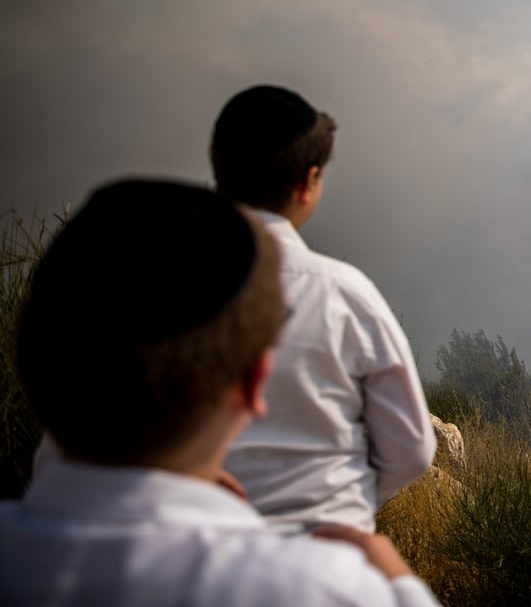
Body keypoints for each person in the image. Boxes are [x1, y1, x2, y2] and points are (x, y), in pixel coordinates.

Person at [0, 179, 441, 606]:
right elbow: (414, 450)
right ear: (254, 382)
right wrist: (399, 584)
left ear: (28, 359)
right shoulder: (321, 589)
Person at [210, 84, 435, 532]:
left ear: (219, 168)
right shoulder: (345, 294)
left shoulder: (143, 278)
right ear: (307, 183)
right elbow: (413, 451)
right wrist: (343, 505)